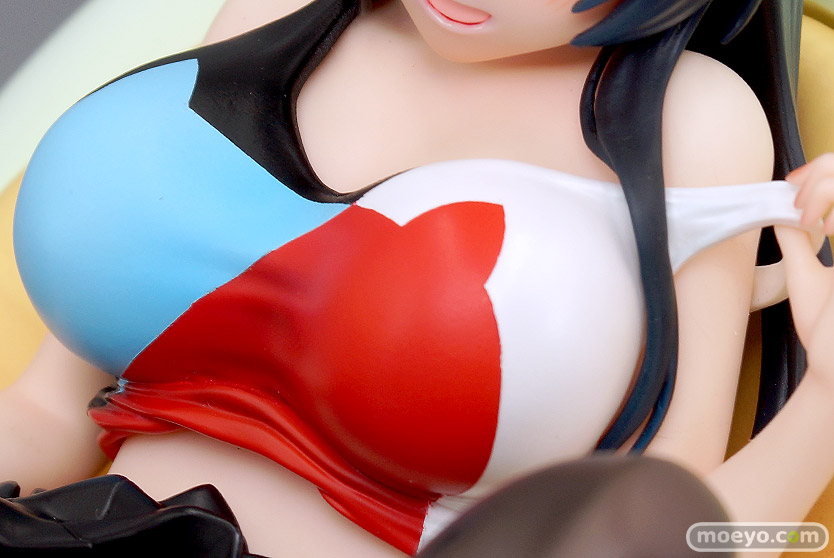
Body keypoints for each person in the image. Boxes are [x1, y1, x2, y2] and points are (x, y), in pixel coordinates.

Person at [3, 0, 834, 556]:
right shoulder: (280, 11)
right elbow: (50, 409)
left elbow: (672, 524)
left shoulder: (688, 122)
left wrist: (825, 404)